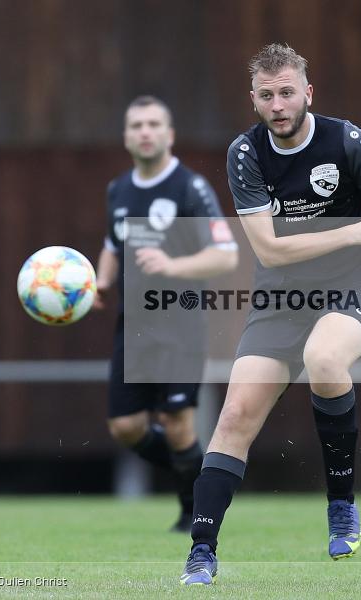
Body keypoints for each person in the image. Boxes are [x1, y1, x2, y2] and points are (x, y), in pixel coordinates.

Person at [180, 44, 361, 585]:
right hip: (281, 298)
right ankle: (201, 552)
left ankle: (341, 506)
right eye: (266, 95)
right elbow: (270, 252)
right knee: (234, 416)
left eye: (287, 92)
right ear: (253, 100)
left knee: (324, 357)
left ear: (307, 93)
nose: (278, 105)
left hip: (355, 288)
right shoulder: (246, 154)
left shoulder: (349, 143)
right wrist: (355, 230)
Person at [94, 95, 238, 532]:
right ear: (126, 136)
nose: (145, 132)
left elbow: (226, 255)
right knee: (125, 427)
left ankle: (193, 509)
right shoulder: (118, 190)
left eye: (154, 124)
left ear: (169, 134)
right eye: (137, 125)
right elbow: (112, 244)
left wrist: (171, 265)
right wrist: (101, 281)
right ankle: (198, 477)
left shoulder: (189, 188)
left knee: (177, 424)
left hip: (180, 323)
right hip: (134, 325)